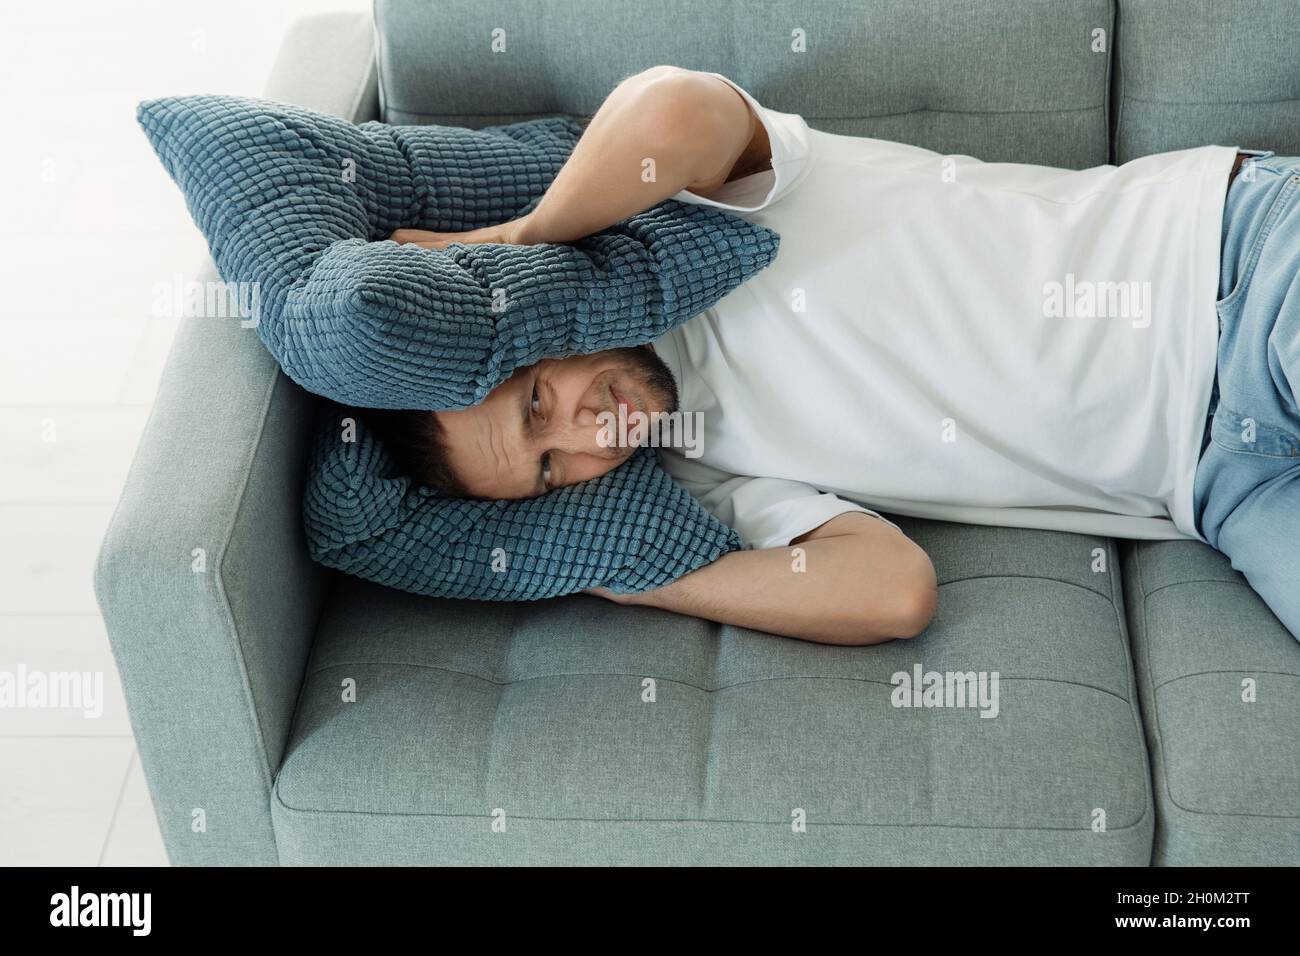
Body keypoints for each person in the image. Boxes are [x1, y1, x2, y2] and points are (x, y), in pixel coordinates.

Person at [375, 66, 1300, 647]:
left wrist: (515, 239)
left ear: (536, 315)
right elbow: (894, 592)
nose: (584, 442)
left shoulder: (700, 212)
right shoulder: (697, 471)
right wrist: (626, 578)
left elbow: (674, 108)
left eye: (540, 402)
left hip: (1235, 274)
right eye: (547, 475)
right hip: (1224, 489)